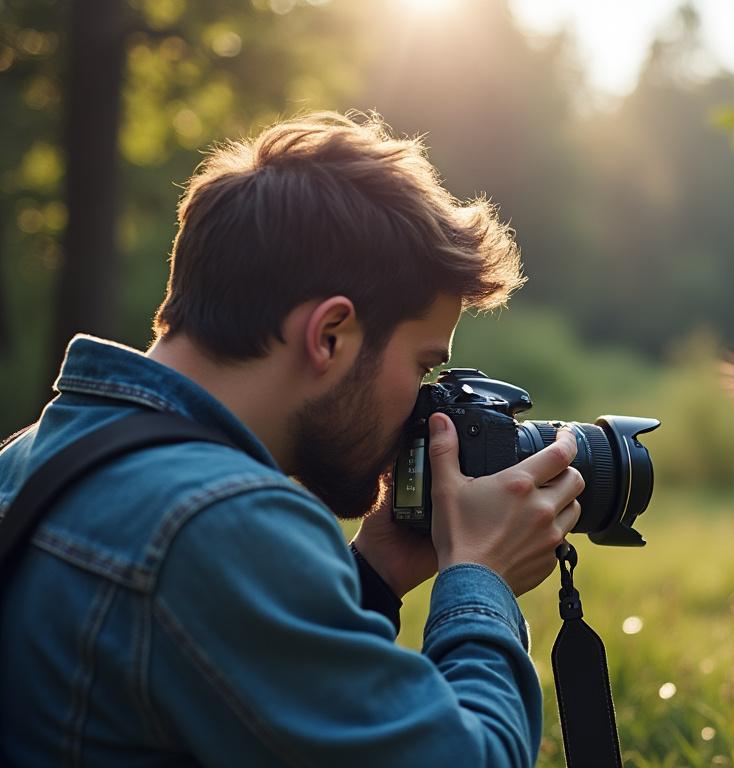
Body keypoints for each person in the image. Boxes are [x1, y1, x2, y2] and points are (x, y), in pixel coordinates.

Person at [0, 112, 584, 766]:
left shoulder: (33, 458)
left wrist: (378, 573)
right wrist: (482, 580)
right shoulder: (220, 525)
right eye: (424, 365)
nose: (425, 401)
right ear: (329, 334)